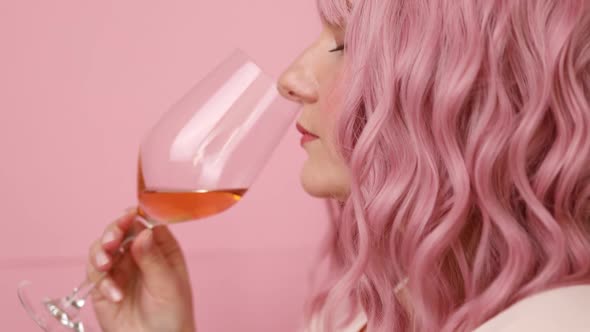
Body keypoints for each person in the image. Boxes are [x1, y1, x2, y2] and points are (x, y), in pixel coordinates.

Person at [86, 0, 590, 331]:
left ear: (473, 91)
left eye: (346, 45)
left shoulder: (555, 322)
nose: (291, 78)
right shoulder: (364, 312)